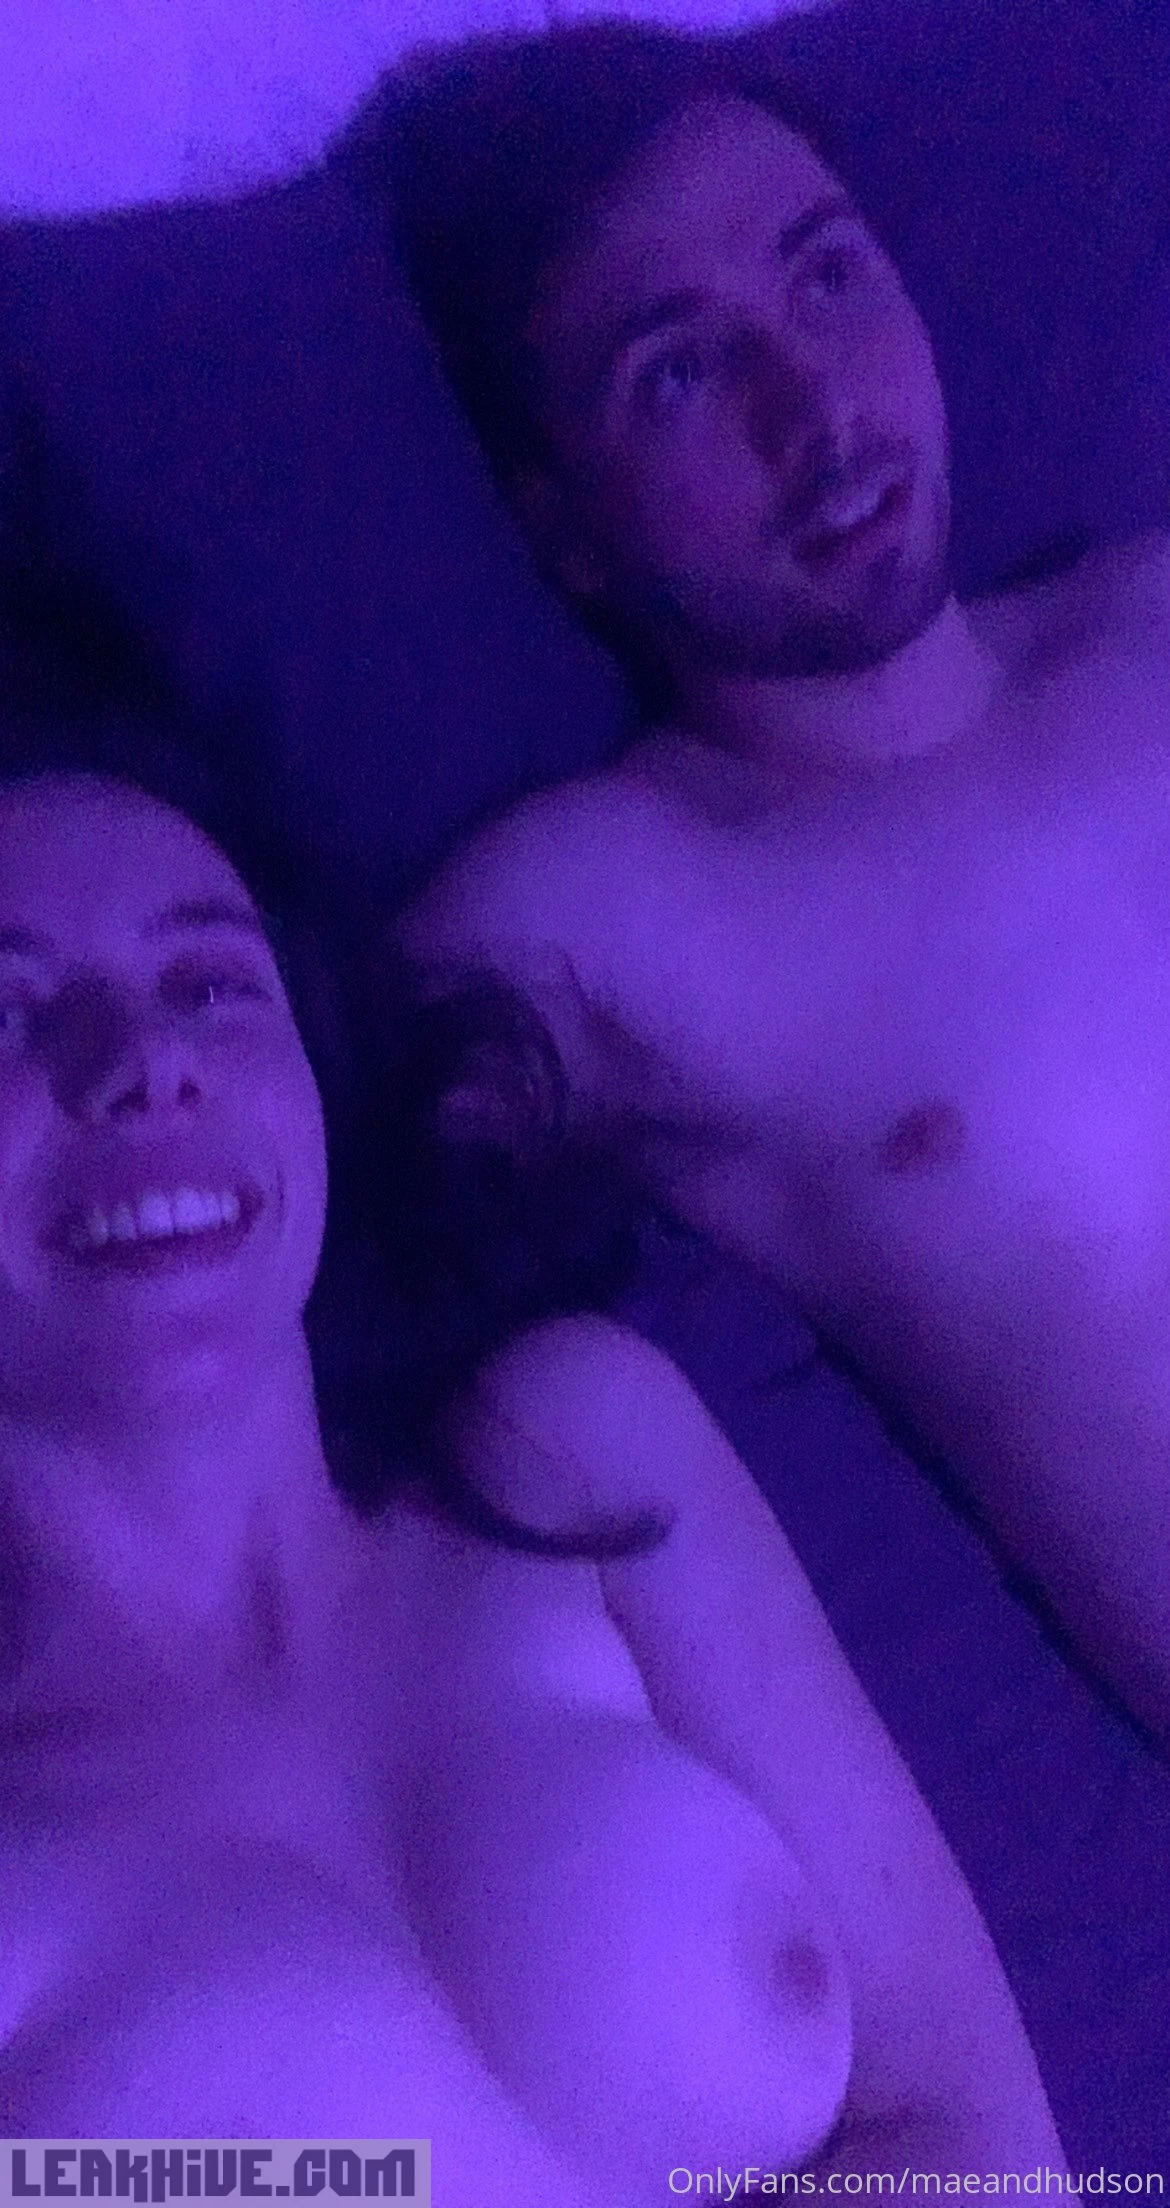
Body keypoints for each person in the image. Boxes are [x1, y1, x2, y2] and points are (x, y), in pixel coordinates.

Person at [0, 622, 1064, 2183]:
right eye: (7, 1014)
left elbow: (972, 2125)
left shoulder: (576, 1449)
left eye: (209, 983)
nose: (146, 1062)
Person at [362, 19, 1170, 1754]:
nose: (812, 406)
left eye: (827, 276)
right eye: (676, 374)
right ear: (561, 530)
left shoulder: (1152, 609)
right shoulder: (612, 915)